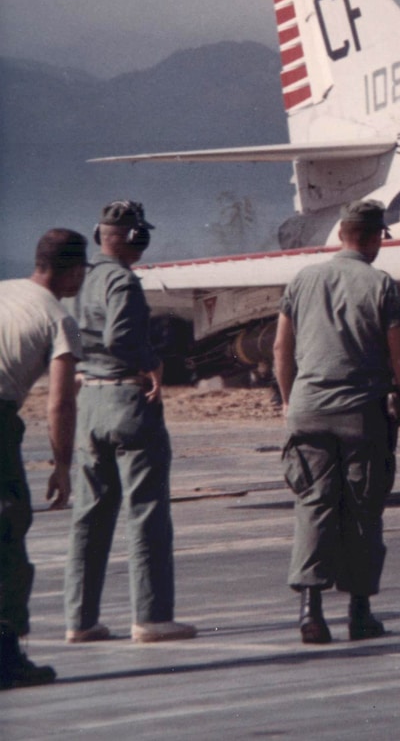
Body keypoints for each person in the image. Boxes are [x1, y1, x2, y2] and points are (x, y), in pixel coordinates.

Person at [274, 199, 400, 644]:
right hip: (362, 414)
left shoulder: (302, 279)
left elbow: (281, 349)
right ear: (376, 237)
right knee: (363, 509)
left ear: (341, 234)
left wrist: (289, 402)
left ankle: (310, 612)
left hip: (308, 411)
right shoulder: (381, 283)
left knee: (314, 506)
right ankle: (359, 614)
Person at [64, 201, 197, 644]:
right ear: (132, 237)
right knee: (146, 511)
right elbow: (121, 336)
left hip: (91, 403)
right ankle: (152, 617)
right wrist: (153, 363)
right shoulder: (121, 280)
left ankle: (80, 620)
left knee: (89, 514)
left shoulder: (81, 280)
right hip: (128, 400)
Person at [0, 230, 87, 688]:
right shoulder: (59, 318)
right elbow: (60, 402)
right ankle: (5, 655)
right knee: (6, 538)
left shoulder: (4, 290)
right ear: (72, 271)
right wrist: (62, 466)